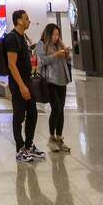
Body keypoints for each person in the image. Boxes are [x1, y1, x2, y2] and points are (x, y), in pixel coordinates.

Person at [5, 9, 42, 163]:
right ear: (19, 20)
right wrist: (21, 86)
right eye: (26, 18)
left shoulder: (22, 37)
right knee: (19, 116)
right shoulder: (12, 38)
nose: (29, 21)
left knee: (33, 113)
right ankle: (20, 149)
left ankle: (29, 144)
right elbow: (12, 64)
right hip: (18, 83)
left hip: (27, 81)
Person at [34, 23, 72, 153]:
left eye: (58, 34)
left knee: (61, 109)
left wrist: (66, 55)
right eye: (54, 34)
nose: (56, 37)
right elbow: (42, 61)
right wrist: (56, 55)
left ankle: (59, 138)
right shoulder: (42, 44)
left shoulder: (60, 44)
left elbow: (67, 61)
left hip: (62, 80)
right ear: (49, 34)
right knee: (56, 108)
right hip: (50, 81)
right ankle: (51, 138)